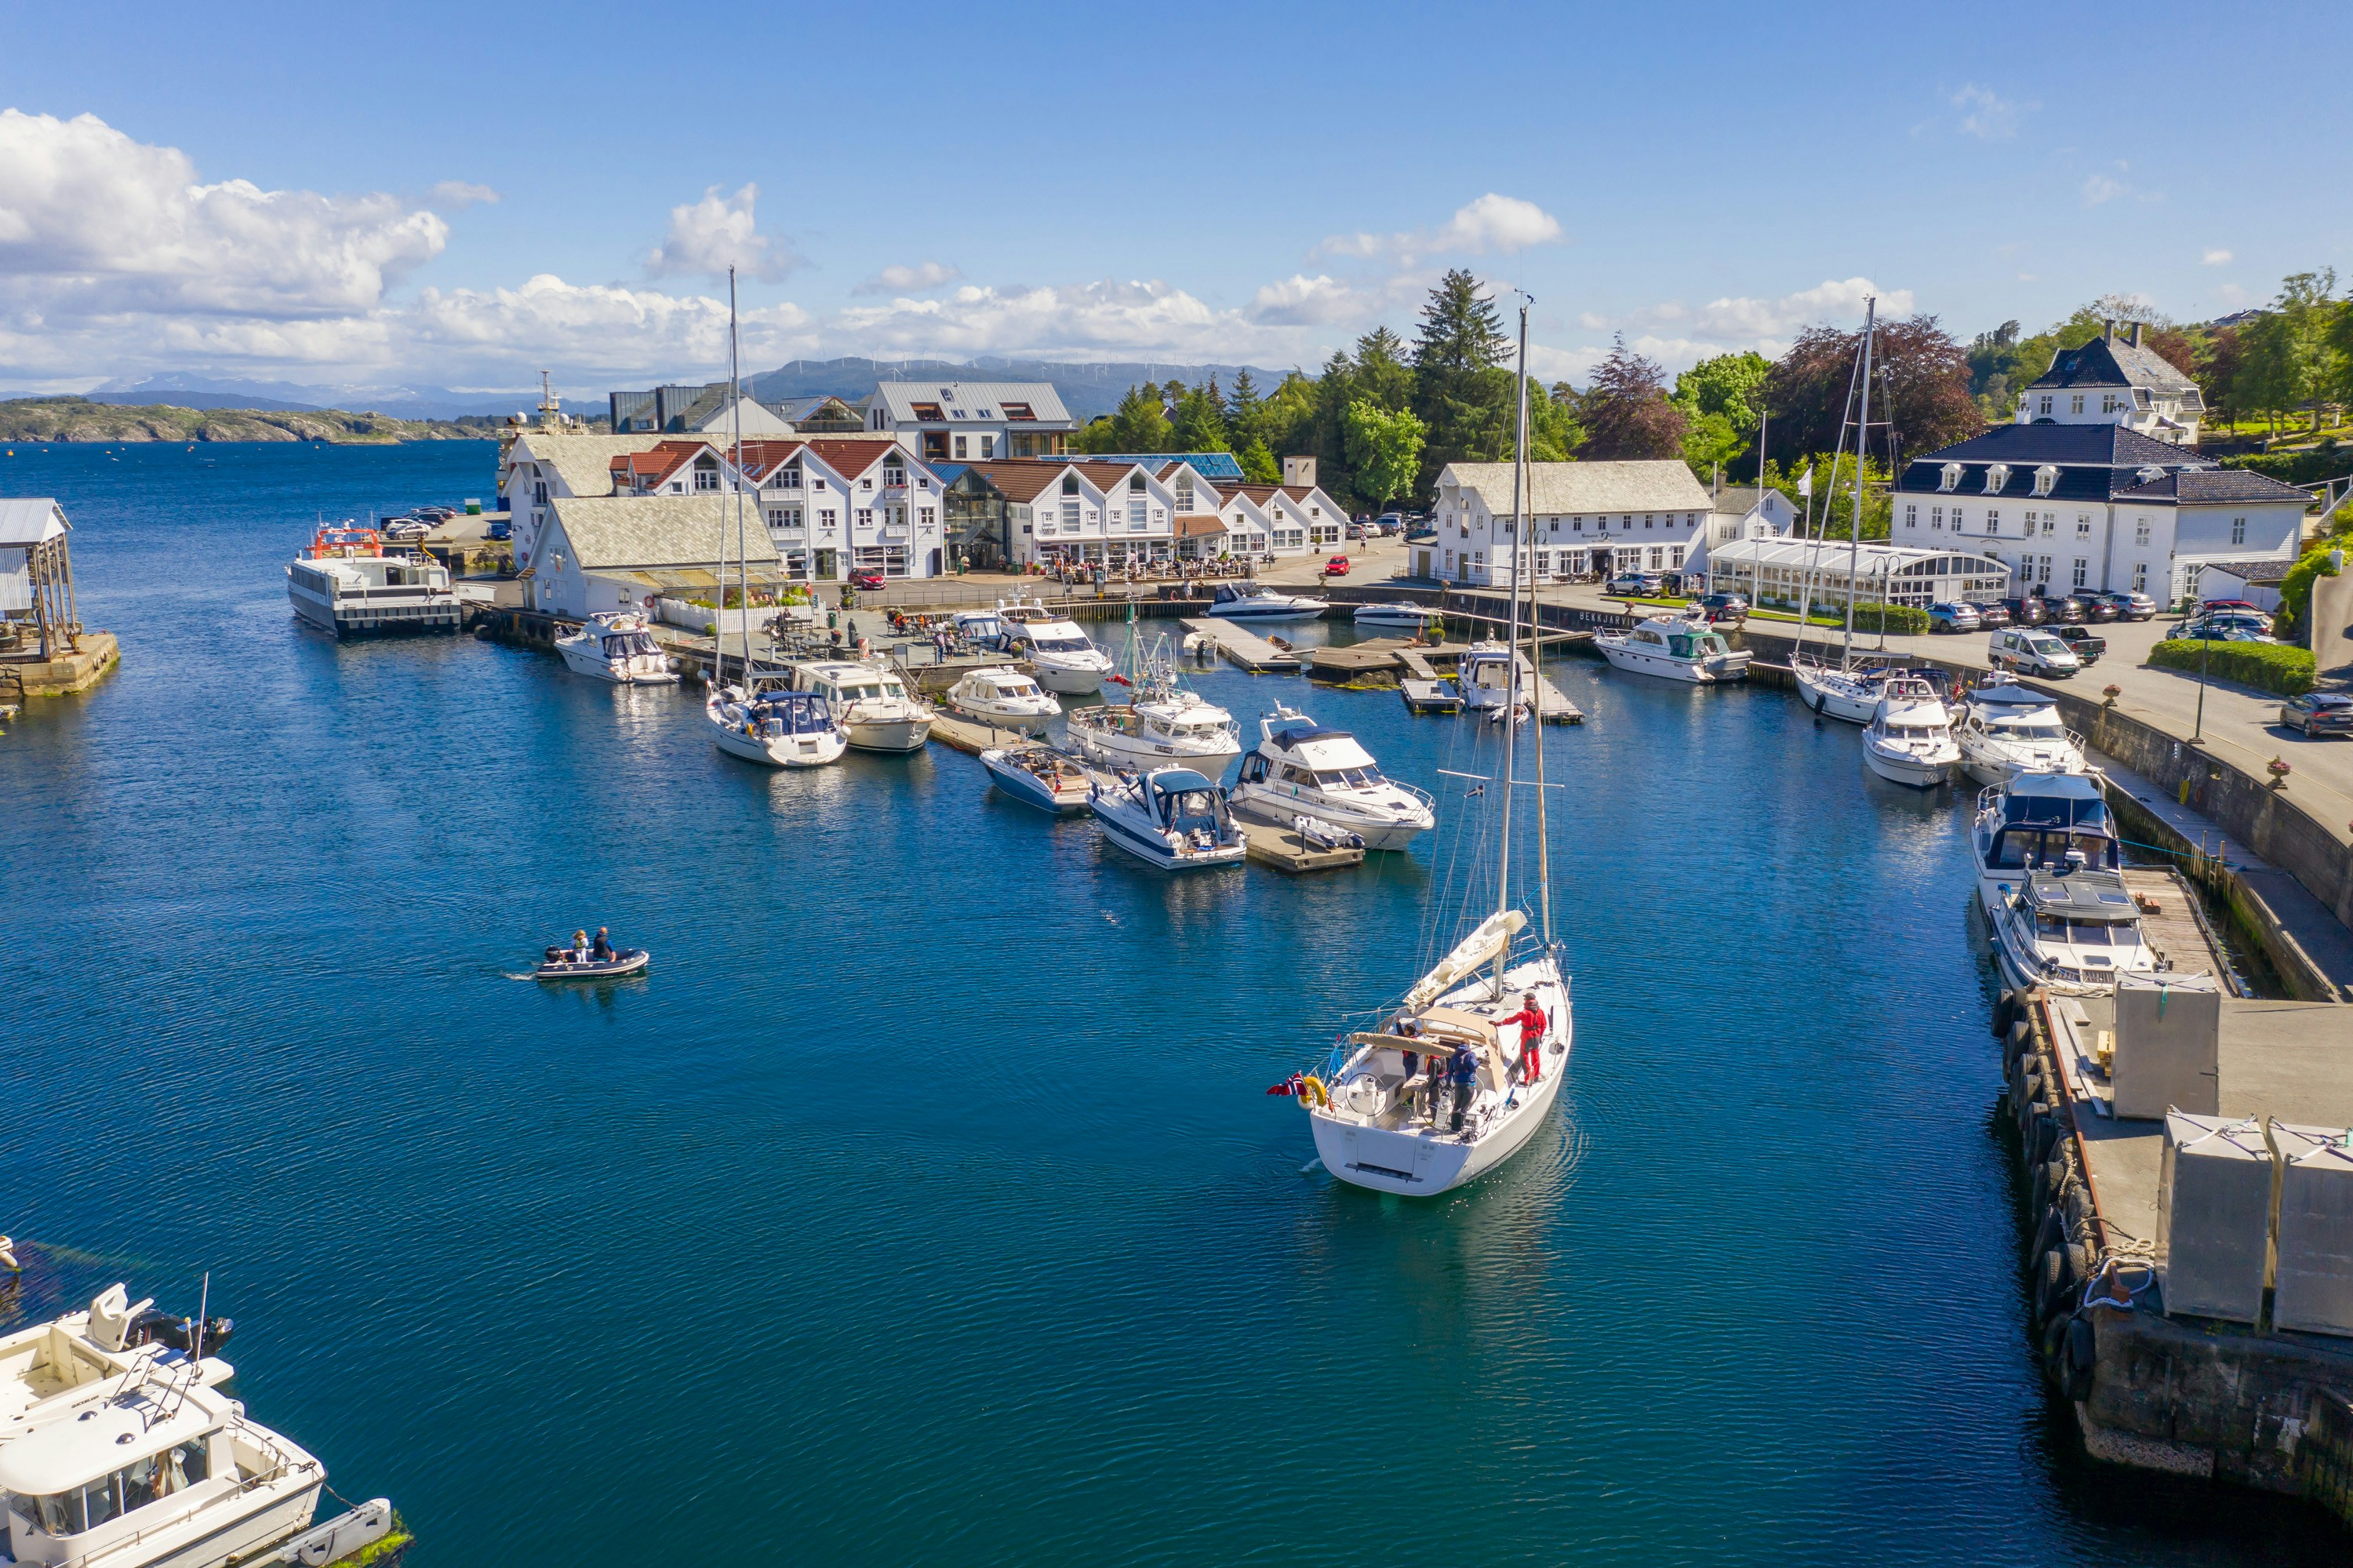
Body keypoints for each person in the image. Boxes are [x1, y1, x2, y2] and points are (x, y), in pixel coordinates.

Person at [1497, 990, 1548, 1085]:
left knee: (1524, 1058)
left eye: (1525, 999)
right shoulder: (1540, 1011)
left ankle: (1528, 1080)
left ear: (1527, 1000)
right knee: (1535, 1056)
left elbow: (1511, 1021)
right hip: (1537, 1037)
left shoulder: (1525, 1013)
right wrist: (1539, 1036)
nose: (1524, 1000)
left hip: (1527, 1038)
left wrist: (1498, 1024)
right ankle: (1536, 1076)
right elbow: (1544, 1025)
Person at [1449, 1043, 1479, 1133]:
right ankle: (1460, 1126)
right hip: (1469, 1084)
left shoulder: (1454, 1057)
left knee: (1457, 1104)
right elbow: (1473, 1065)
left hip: (1458, 1083)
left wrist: (1448, 1084)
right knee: (1465, 1106)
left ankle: (1454, 1125)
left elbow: (1450, 1071)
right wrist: (1479, 1062)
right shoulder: (1471, 1054)